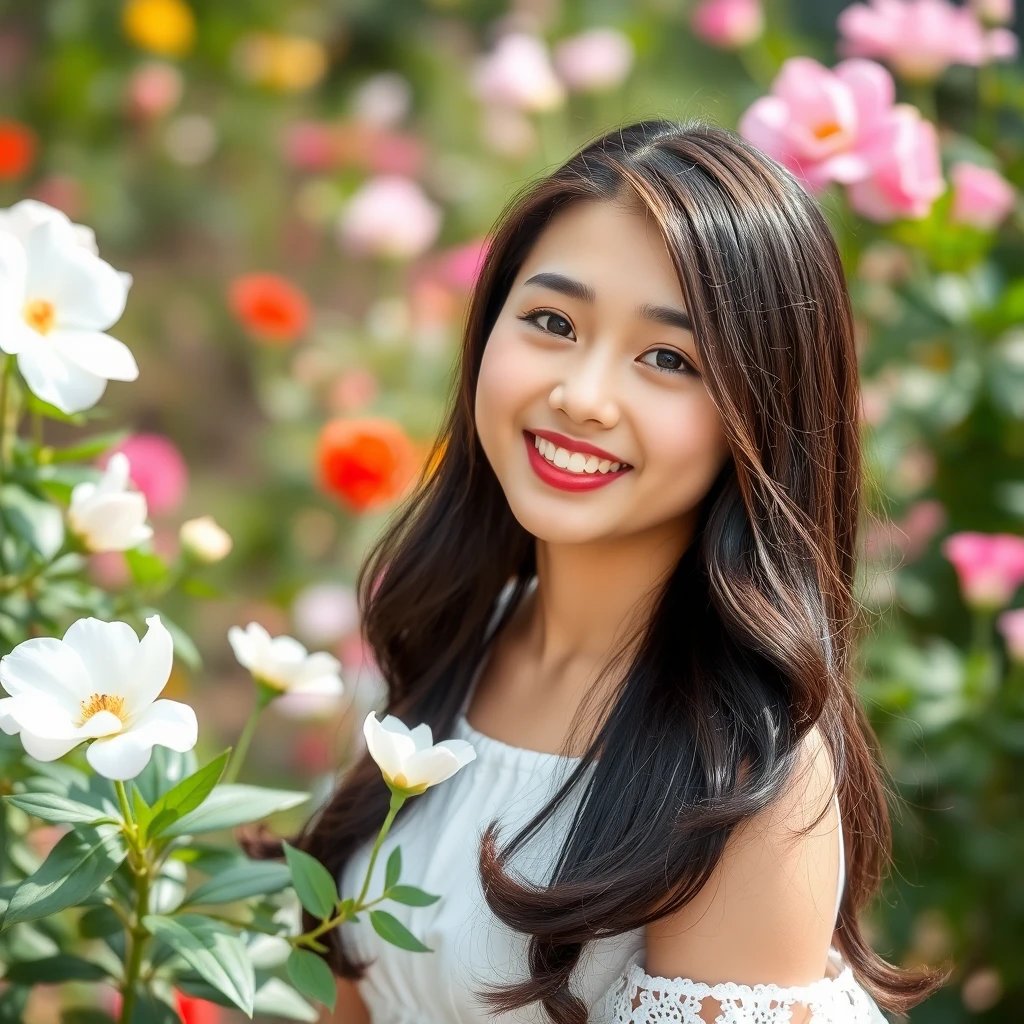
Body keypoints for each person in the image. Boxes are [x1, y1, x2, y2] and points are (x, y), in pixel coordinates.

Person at [263, 120, 948, 1022]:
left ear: (761, 417)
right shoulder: (446, 637)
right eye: (552, 321)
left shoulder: (744, 776)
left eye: (668, 358)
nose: (581, 396)